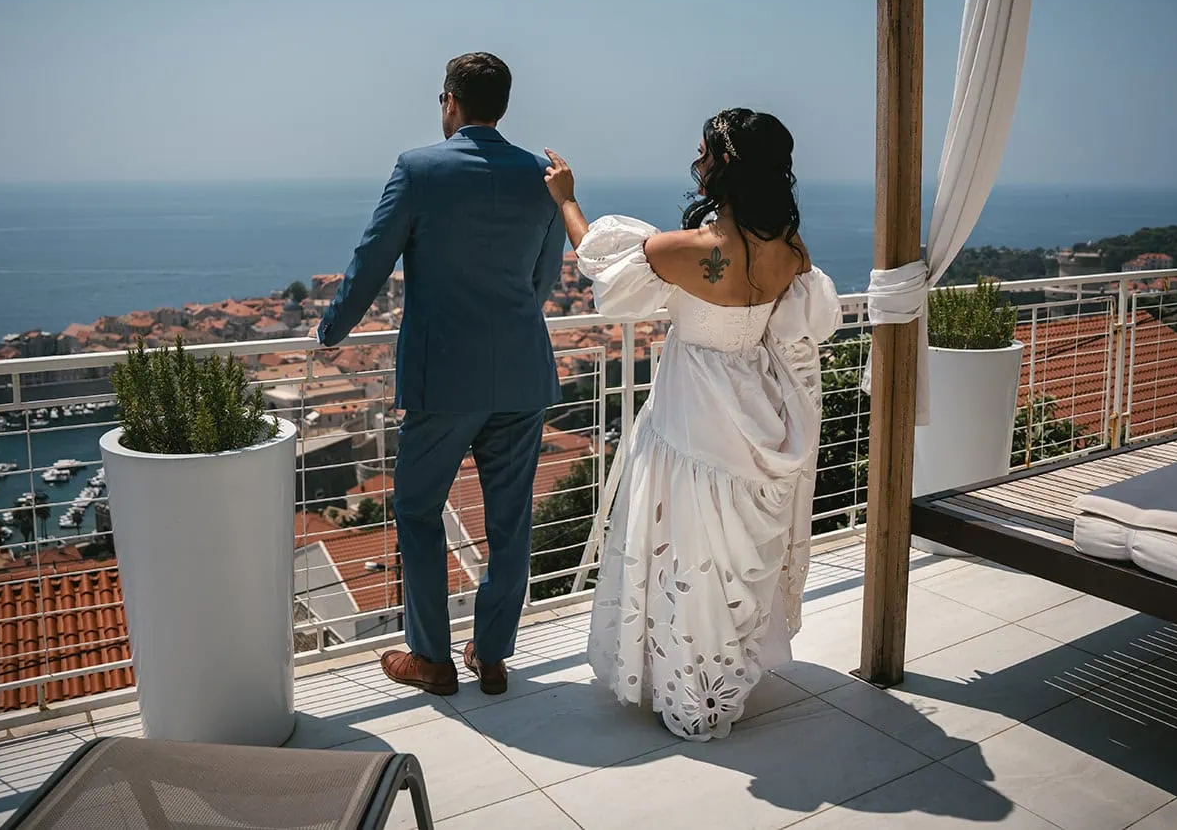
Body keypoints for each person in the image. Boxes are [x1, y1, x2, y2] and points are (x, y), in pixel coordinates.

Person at [543, 108, 841, 741]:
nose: (697, 162)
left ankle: (680, 682)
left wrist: (566, 199)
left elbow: (598, 260)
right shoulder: (789, 251)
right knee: (729, 557)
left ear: (724, 166)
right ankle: (716, 681)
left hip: (690, 413)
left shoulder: (695, 251)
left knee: (683, 545)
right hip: (756, 411)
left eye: (705, 152)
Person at [318, 52, 566, 697]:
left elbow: (372, 257)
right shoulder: (542, 176)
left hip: (445, 379)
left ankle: (431, 658)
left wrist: (331, 331)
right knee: (510, 522)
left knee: (417, 508)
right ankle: (491, 655)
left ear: (449, 101)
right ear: (503, 105)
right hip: (521, 370)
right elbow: (542, 280)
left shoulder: (419, 168)